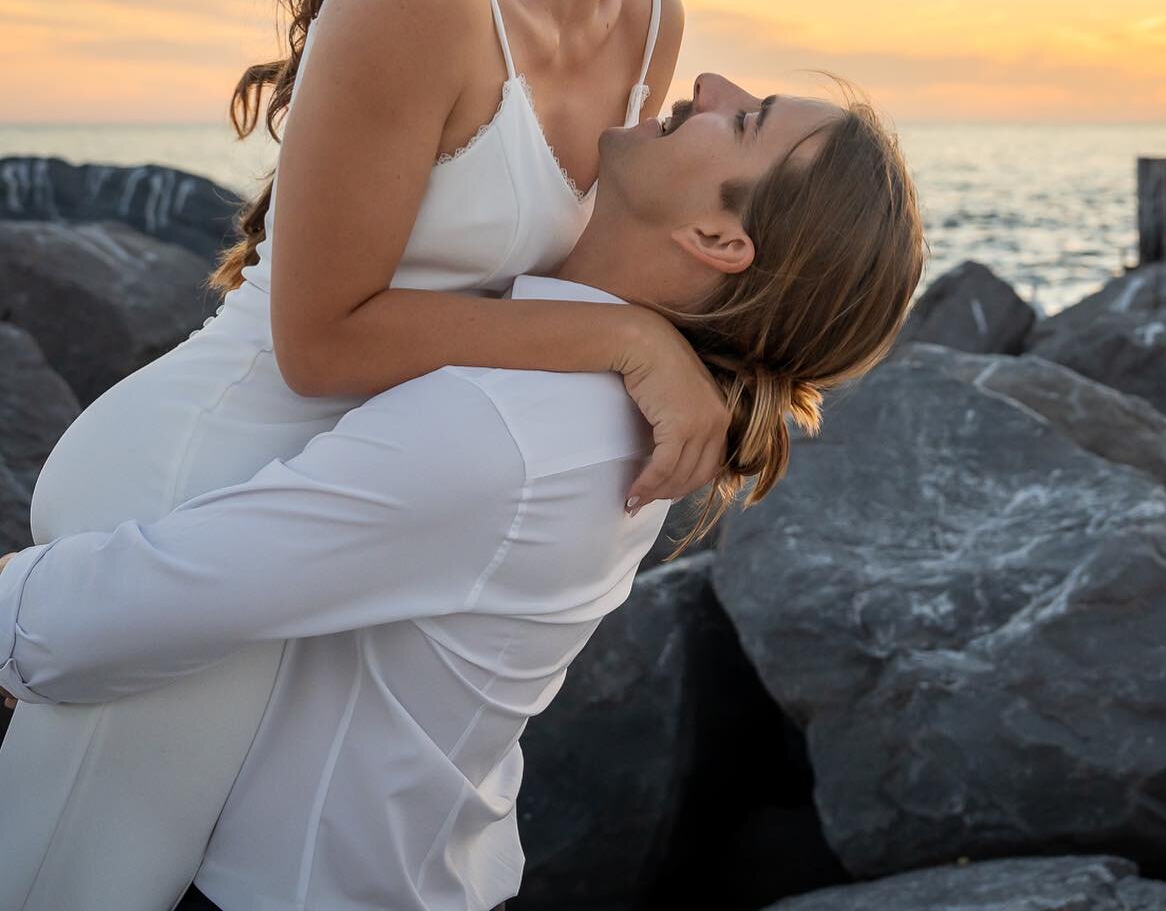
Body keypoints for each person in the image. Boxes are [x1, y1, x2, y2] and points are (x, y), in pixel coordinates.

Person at [0, 0, 734, 911]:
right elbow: (321, 339)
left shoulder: (652, 13)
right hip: (204, 480)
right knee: (84, 883)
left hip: (367, 511)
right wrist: (631, 344)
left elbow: (567, 280)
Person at [0, 73, 927, 911]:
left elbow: (124, 609)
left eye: (748, 120)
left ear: (720, 239)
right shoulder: (589, 392)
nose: (713, 84)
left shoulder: (511, 434)